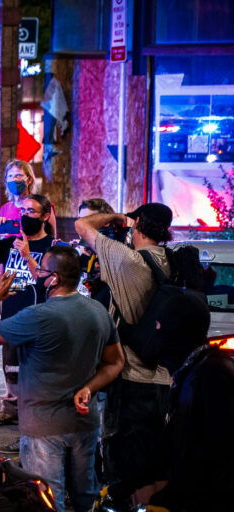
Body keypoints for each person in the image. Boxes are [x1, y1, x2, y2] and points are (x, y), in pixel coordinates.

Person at [0, 246, 124, 512]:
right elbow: (116, 362)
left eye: (42, 269)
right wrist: (89, 388)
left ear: (54, 278)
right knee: (86, 499)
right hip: (85, 423)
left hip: (43, 427)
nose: (37, 273)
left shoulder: (38, 315)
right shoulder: (97, 311)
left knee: (48, 501)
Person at [74, 202, 174, 504]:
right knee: (154, 461)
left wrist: (119, 217)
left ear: (138, 223)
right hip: (163, 377)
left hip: (130, 378)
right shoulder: (173, 259)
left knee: (123, 466)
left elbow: (82, 226)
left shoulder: (127, 260)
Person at [0, 194, 55, 441]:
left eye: (31, 211)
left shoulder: (52, 247)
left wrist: (27, 256)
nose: (25, 215)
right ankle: (10, 409)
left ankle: (33, 416)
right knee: (11, 366)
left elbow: (48, 281)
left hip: (38, 317)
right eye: (22, 211)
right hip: (11, 315)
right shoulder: (10, 242)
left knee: (35, 369)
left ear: (45, 216)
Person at [147, 294, 234, 511]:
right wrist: (130, 483)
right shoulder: (192, 371)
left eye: (161, 329)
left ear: (179, 333)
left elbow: (217, 454)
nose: (156, 339)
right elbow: (172, 439)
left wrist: (173, 496)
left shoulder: (212, 375)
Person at [0, 159, 57, 238]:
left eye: (18, 175)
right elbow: (2, 237)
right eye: (10, 176)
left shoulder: (43, 206)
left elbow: (53, 237)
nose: (14, 179)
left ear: (29, 180)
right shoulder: (4, 209)